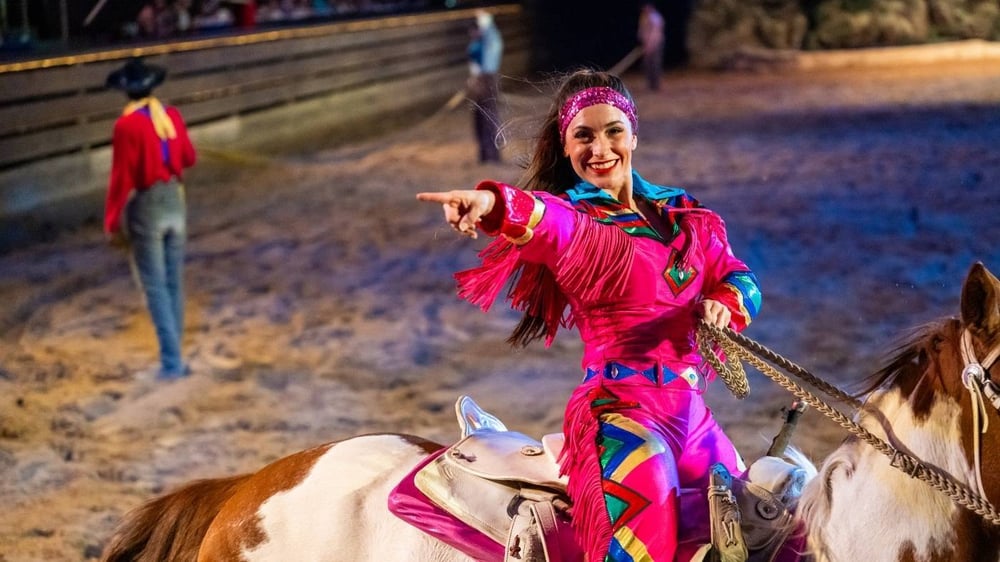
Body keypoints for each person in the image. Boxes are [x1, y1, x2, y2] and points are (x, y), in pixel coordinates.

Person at [417, 69, 761, 561]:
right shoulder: (577, 221)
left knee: (759, 524)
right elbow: (535, 217)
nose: (600, 148)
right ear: (566, 145)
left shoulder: (687, 214)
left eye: (612, 131)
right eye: (584, 135)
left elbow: (741, 278)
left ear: (634, 134)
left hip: (695, 415)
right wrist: (488, 203)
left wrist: (726, 304)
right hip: (620, 415)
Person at [104, 58, 197, 380]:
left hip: (148, 204)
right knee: (173, 282)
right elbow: (189, 157)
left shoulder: (126, 126)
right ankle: (176, 358)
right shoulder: (170, 116)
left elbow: (122, 177)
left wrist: (111, 220)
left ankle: (171, 363)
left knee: (155, 285)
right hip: (175, 199)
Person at [466, 10, 503, 163]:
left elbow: (490, 36)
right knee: (479, 119)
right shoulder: (478, 44)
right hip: (478, 83)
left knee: (488, 118)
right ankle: (484, 153)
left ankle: (491, 154)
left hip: (486, 82)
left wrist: (485, 19)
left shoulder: (489, 42)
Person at [638, 3, 665, 91]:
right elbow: (642, 31)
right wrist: (644, 43)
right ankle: (650, 85)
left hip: (655, 45)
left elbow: (655, 33)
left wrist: (650, 44)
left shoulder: (655, 17)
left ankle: (655, 85)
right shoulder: (644, 17)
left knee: (655, 64)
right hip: (646, 45)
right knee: (647, 65)